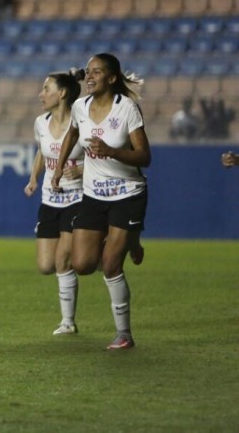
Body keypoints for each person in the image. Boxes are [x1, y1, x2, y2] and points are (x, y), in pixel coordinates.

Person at [52, 53, 150, 350]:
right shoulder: (80, 106)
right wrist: (58, 166)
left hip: (127, 194)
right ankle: (128, 239)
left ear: (111, 78)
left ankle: (124, 334)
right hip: (93, 196)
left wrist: (111, 151)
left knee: (109, 265)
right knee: (82, 264)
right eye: (88, 72)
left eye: (97, 72)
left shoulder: (127, 108)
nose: (90, 77)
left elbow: (145, 157)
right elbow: (72, 133)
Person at [24, 70, 86, 335]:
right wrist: (33, 178)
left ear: (62, 93)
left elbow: (101, 156)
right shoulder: (41, 122)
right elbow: (42, 150)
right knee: (46, 266)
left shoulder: (82, 122)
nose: (41, 93)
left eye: (46, 88)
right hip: (50, 199)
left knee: (63, 260)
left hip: (78, 198)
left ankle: (68, 322)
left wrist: (81, 170)